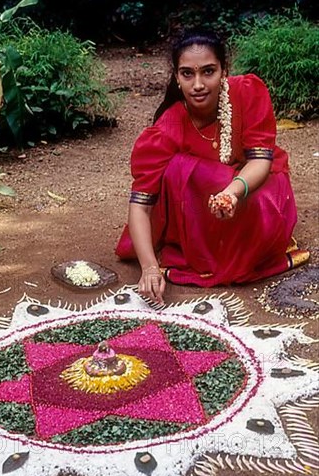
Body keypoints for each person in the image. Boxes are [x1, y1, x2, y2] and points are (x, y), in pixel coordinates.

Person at [115, 28, 309, 303]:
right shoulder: (167, 128)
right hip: (200, 214)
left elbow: (260, 161)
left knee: (251, 190)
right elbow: (141, 204)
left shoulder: (248, 92)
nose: (198, 84)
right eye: (187, 74)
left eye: (208, 71)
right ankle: (211, 249)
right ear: (176, 77)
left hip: (254, 192)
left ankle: (244, 245)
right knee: (179, 169)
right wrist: (149, 268)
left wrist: (232, 192)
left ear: (224, 70)